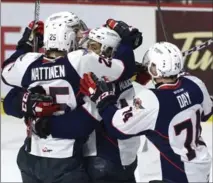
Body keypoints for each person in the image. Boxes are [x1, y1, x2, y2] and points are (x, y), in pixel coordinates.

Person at [2, 12, 126, 183]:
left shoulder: (28, 62)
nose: (81, 37)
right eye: (76, 32)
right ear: (66, 36)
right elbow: (122, 68)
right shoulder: (80, 61)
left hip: (29, 158)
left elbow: (6, 71)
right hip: (64, 162)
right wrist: (126, 40)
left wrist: (26, 43)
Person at [80, 42, 213, 183]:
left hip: (180, 175)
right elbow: (206, 114)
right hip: (201, 164)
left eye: (152, 65)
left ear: (156, 70)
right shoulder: (195, 83)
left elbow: (117, 127)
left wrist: (102, 97)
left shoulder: (153, 100)